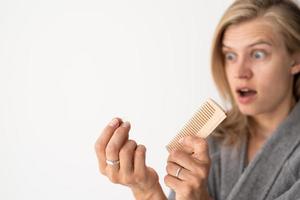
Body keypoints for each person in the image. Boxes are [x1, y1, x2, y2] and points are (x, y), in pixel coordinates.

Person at [94, 0, 300, 199]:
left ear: (296, 59)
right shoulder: (213, 136)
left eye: (257, 54)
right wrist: (146, 190)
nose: (239, 72)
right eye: (230, 56)